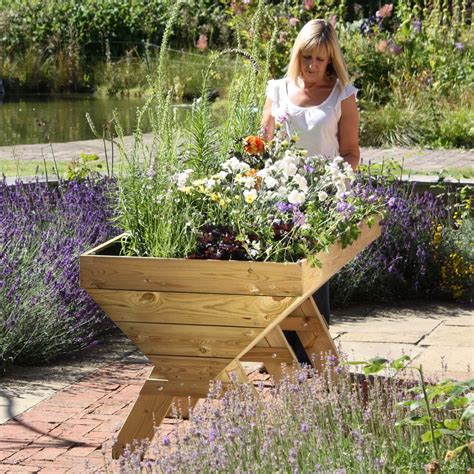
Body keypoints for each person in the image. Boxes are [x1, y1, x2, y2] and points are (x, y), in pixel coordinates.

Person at [260, 19, 360, 363]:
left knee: (314, 277)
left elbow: (351, 153)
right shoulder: (277, 89)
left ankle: (314, 356)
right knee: (279, 276)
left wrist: (331, 187)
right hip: (278, 200)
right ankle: (279, 353)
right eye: (306, 57)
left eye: (319, 59)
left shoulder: (341, 95)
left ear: (330, 59)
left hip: (321, 200)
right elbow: (263, 144)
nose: (311, 65)